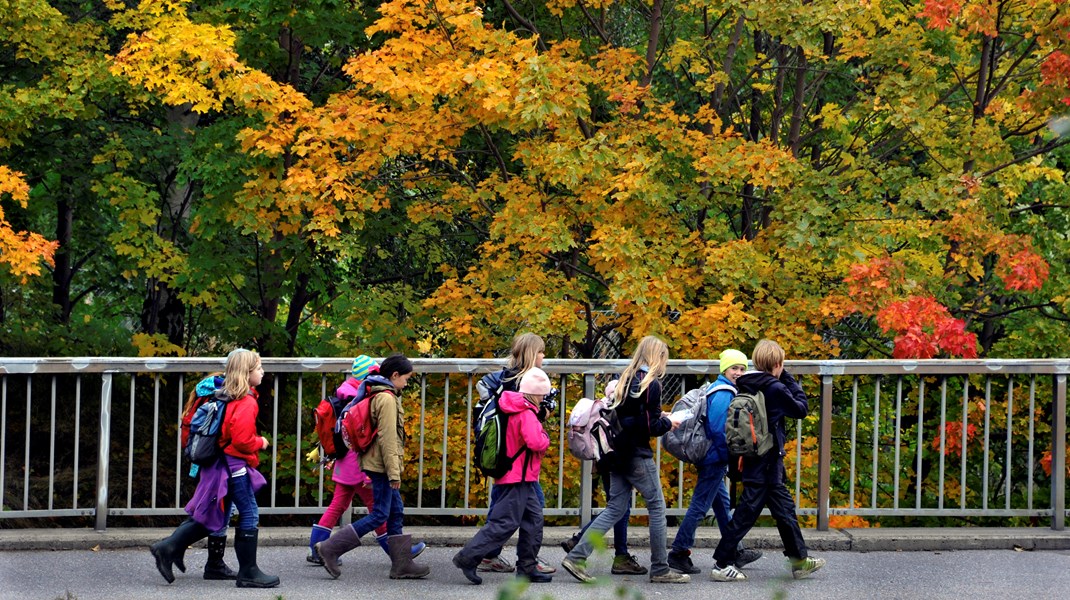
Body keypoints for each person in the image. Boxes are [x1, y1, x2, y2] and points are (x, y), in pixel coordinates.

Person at [560, 335, 690, 584]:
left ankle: (576, 557)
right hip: (636, 455)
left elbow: (630, 416)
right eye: (664, 357)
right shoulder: (651, 383)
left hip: (615, 452)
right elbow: (649, 425)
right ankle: (661, 569)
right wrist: (668, 421)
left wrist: (655, 416)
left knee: (615, 508)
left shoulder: (626, 378)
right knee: (657, 508)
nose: (665, 363)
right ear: (657, 357)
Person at [151, 348, 280, 588]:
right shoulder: (246, 401)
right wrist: (260, 442)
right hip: (234, 466)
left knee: (215, 514)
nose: (263, 372)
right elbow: (240, 440)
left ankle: (171, 548)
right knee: (249, 513)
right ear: (247, 372)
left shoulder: (226, 395)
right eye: (259, 368)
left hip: (221, 464)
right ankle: (249, 572)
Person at [708, 339, 825, 582]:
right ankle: (721, 563)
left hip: (755, 458)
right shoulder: (775, 388)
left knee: (784, 511)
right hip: (766, 462)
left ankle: (800, 561)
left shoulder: (747, 383)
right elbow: (801, 408)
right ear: (778, 364)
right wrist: (788, 378)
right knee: (746, 514)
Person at [315, 354, 430, 580]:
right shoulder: (386, 399)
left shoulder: (379, 392)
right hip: (382, 467)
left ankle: (402, 563)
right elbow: (388, 439)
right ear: (394, 375)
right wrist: (394, 473)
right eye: (406, 378)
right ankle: (330, 548)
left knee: (395, 511)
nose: (407, 383)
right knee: (379, 515)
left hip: (380, 464)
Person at [453, 368, 553, 584]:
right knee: (504, 523)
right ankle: (467, 558)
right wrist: (546, 436)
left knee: (533, 521)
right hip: (517, 477)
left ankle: (527, 567)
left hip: (521, 476)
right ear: (535, 394)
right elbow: (536, 442)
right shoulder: (526, 413)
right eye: (543, 394)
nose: (544, 398)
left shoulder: (513, 406)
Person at [667, 349, 763, 574]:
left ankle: (735, 550)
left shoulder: (721, 388)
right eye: (734, 369)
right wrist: (731, 457)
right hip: (714, 457)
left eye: (742, 369)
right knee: (700, 506)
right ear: (724, 370)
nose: (738, 373)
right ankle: (678, 552)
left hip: (713, 456)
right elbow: (720, 430)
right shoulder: (723, 393)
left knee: (722, 507)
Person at [473, 332, 556, 575]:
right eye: (541, 352)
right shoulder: (524, 383)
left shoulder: (503, 379)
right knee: (531, 508)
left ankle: (491, 555)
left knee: (501, 506)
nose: (544, 356)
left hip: (504, 454)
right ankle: (518, 558)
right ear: (532, 354)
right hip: (517, 458)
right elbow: (533, 418)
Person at [559, 378, 646, 575]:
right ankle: (618, 555)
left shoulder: (603, 407)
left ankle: (582, 541)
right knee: (619, 508)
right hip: (616, 461)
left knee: (616, 507)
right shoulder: (619, 409)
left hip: (602, 462)